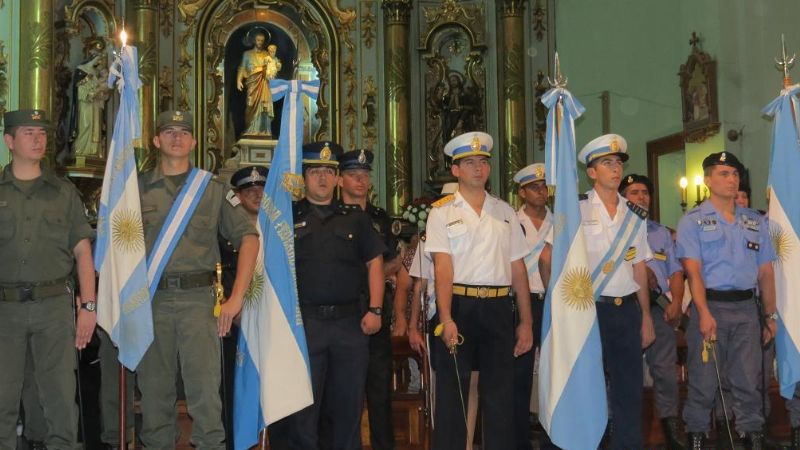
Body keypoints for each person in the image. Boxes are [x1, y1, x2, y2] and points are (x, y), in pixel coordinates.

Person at [137, 110, 259, 449]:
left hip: (200, 303)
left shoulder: (212, 189)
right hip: (150, 303)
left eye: (184, 132)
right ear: (156, 140)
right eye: (169, 131)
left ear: (193, 142)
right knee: (154, 399)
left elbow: (249, 238)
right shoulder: (135, 189)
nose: (177, 137)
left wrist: (236, 299)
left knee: (205, 398)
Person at [542, 134, 655, 449]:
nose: (615, 169)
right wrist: (562, 306)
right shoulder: (576, 208)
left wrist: (645, 315)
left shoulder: (634, 214)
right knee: (585, 388)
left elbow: (639, 268)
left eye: (618, 163)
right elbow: (547, 259)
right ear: (591, 172)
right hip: (588, 311)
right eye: (607, 163)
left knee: (629, 390)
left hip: (626, 310)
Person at [425, 131, 533, 450]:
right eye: (469, 163)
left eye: (483, 162)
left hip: (499, 309)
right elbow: (442, 269)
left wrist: (525, 322)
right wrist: (445, 318)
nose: (478, 168)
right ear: (455, 170)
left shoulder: (505, 212)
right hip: (459, 306)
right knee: (453, 397)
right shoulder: (441, 212)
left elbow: (518, 269)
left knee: (500, 396)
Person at [277, 141, 385, 450]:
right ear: (304, 177)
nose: (322, 178)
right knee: (302, 412)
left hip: (349, 325)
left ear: (338, 178)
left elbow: (375, 263)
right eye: (315, 172)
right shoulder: (287, 218)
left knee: (348, 409)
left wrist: (375, 310)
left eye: (328, 171)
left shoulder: (356, 219)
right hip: (305, 325)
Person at [0, 109, 96, 449]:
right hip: (5, 311)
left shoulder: (63, 192)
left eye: (42, 133)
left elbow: (83, 252)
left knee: (59, 398)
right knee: (3, 399)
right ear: (9, 141)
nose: (38, 139)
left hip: (54, 308)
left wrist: (88, 305)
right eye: (28, 132)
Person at [677, 151, 777, 449]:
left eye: (734, 174)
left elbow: (765, 271)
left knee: (749, 381)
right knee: (704, 382)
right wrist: (703, 312)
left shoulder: (754, 221)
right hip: (712, 306)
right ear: (707, 180)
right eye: (723, 173)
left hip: (748, 309)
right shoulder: (693, 221)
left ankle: (752, 438)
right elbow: (693, 273)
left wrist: (769, 316)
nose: (731, 179)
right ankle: (696, 435)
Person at [337, 148, 399, 450]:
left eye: (364, 176)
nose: (360, 181)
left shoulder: (379, 219)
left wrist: (379, 270)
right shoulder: (330, 217)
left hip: (376, 312)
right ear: (340, 179)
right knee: (340, 394)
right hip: (342, 315)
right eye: (353, 175)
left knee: (379, 393)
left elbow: (390, 262)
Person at [619, 173, 686, 448]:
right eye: (634, 192)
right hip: (624, 307)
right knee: (622, 370)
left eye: (645, 192)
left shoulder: (659, 232)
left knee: (666, 372)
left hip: (658, 309)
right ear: (623, 197)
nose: (641, 197)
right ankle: (618, 425)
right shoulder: (613, 231)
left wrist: (676, 303)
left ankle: (671, 428)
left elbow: (677, 272)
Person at [219, 165, 268, 450]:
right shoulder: (224, 237)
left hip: (271, 328)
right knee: (233, 393)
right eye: (249, 191)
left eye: (261, 190)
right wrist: (234, 312)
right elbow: (217, 278)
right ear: (237, 197)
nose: (256, 195)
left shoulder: (280, 234)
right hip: (234, 328)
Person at [511, 163, 552, 450]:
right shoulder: (511, 221)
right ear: (522, 192)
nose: (541, 191)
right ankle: (518, 440)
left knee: (553, 372)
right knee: (519, 375)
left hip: (552, 303)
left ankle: (552, 438)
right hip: (521, 304)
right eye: (534, 187)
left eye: (544, 186)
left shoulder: (560, 221)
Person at [236, 31, 280, 137]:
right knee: (250, 104)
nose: (260, 42)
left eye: (262, 41)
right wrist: (238, 80)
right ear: (254, 40)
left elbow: (274, 66)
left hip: (265, 83)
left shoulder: (267, 54)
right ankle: (250, 129)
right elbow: (242, 67)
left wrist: (273, 71)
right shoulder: (247, 54)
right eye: (258, 40)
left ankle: (264, 130)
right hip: (253, 84)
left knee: (264, 107)